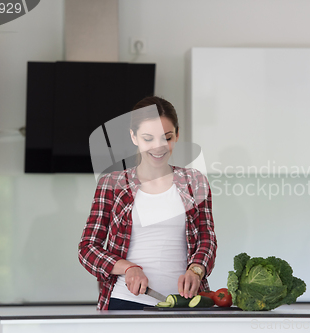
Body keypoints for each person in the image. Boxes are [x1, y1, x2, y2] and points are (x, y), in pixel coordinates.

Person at [78, 96, 217, 310]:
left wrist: (196, 269)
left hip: (185, 303)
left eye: (167, 137)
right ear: (134, 137)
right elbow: (87, 248)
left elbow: (207, 239)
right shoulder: (112, 184)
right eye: (148, 138)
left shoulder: (194, 181)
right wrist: (127, 268)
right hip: (126, 301)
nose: (158, 147)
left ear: (177, 135)